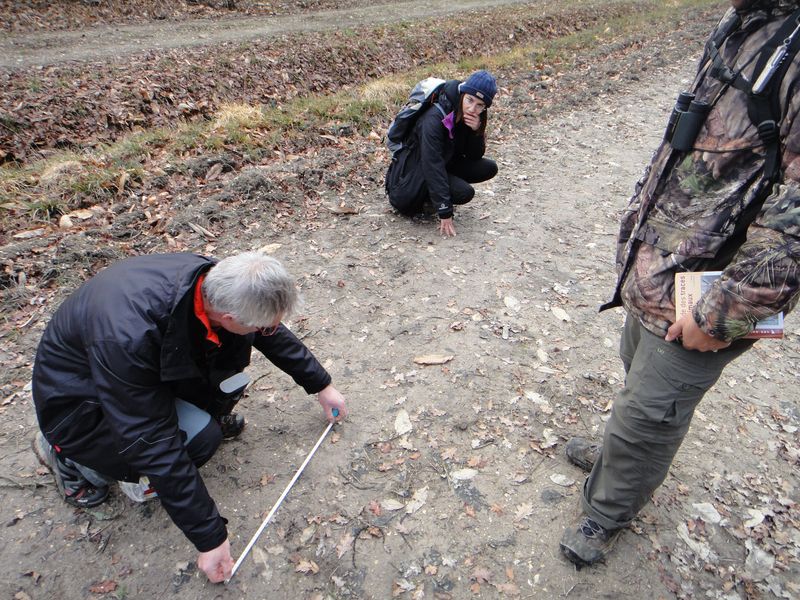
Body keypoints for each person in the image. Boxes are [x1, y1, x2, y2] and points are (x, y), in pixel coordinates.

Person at [560, 0, 800, 566]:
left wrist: (726, 313)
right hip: (664, 271)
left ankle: (609, 509)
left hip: (717, 293)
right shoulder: (745, 21)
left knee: (650, 412)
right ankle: (616, 459)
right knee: (635, 371)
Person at [31, 251, 347, 583]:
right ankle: (68, 458)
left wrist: (321, 385)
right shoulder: (128, 335)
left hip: (140, 376)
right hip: (80, 406)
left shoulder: (215, 281)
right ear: (226, 315)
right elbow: (151, 437)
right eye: (257, 326)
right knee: (197, 440)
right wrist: (210, 539)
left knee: (223, 387)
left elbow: (270, 332)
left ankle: (193, 421)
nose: (265, 330)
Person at [385, 70, 499, 237]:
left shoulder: (471, 115)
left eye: (480, 105)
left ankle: (435, 193)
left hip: (443, 162)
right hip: (409, 181)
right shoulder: (434, 118)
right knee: (464, 192)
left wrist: (476, 131)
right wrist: (444, 210)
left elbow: (474, 156)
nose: (472, 108)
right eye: (470, 100)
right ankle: (429, 198)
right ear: (463, 93)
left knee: (489, 167)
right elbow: (432, 164)